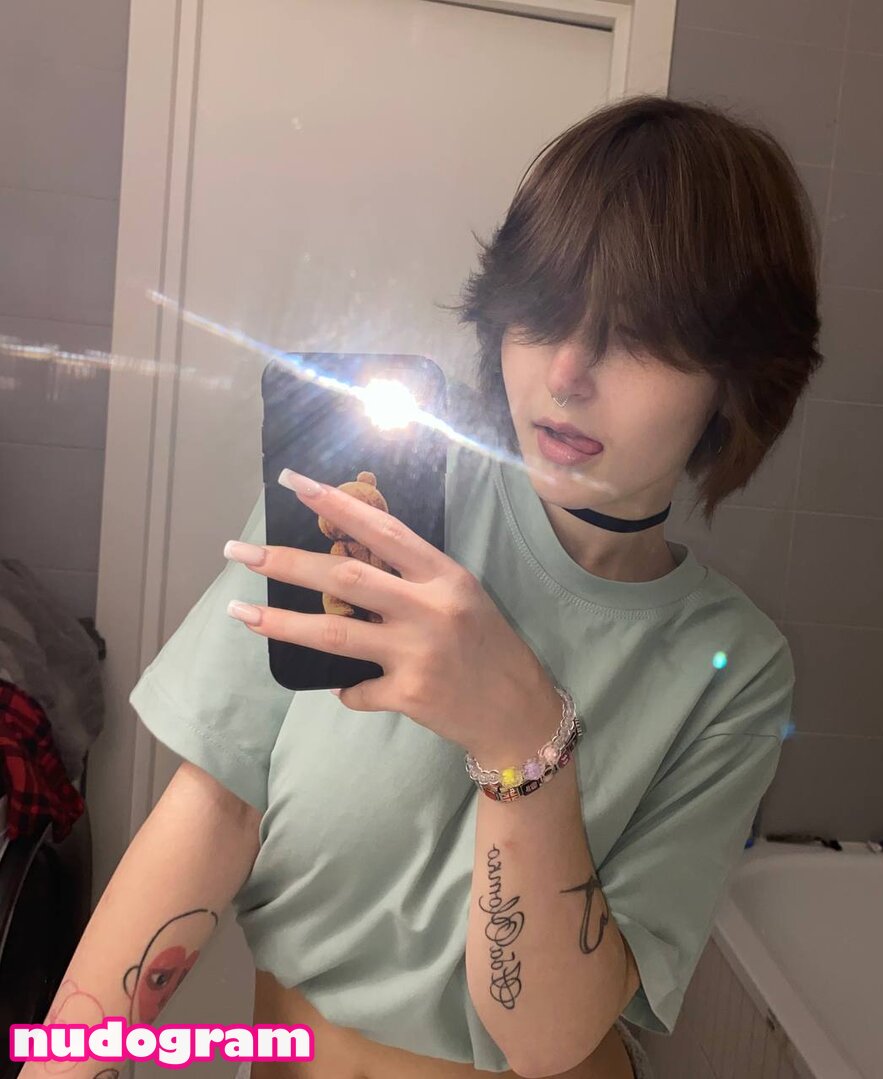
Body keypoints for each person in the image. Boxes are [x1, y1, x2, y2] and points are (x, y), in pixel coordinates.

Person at [19, 94, 821, 1079]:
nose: (568, 371)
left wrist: (524, 742)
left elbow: (546, 1038)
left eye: (640, 334)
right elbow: (216, 807)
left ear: (736, 376)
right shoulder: (368, 504)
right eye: (544, 309)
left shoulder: (733, 667)